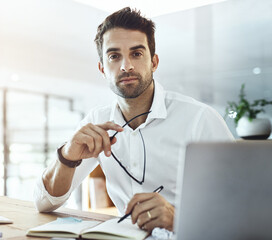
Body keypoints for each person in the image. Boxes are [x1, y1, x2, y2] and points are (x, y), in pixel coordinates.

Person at [33, 7, 234, 233]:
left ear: (154, 62)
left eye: (136, 54)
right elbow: (45, 202)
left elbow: (241, 208)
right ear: (102, 68)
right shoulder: (96, 121)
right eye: (114, 56)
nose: (126, 66)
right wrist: (68, 156)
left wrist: (179, 219)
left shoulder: (200, 119)